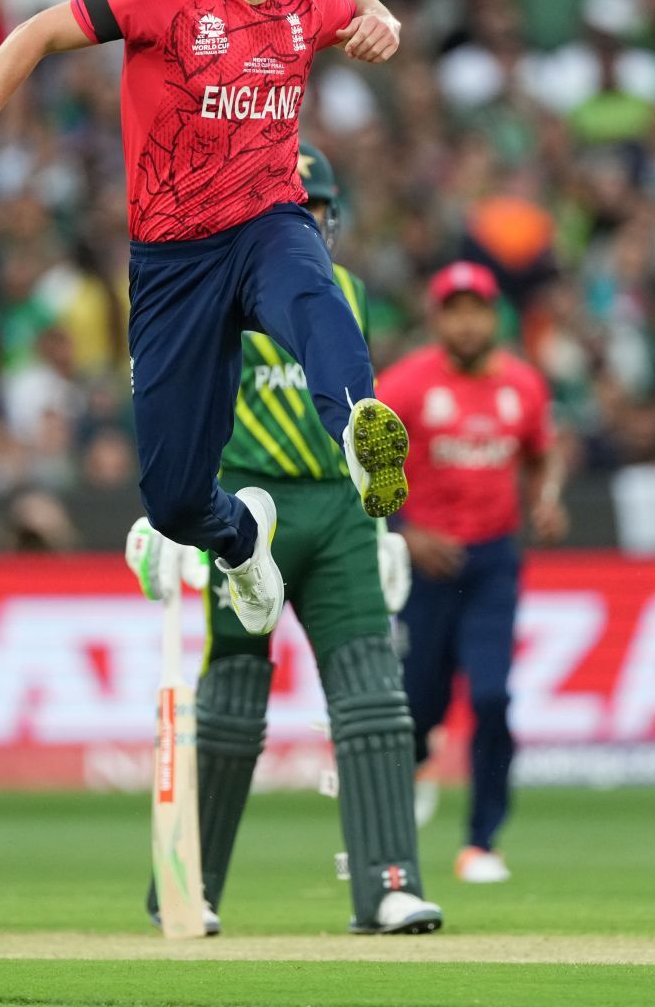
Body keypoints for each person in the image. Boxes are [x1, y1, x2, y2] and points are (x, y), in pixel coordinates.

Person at [0, 0, 411, 639]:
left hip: (267, 223)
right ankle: (242, 542)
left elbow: (357, 1)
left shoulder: (306, 4)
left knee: (316, 289)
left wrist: (384, 21)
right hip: (174, 263)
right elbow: (36, 32)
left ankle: (358, 430)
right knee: (174, 501)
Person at [130, 145, 441, 936]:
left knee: (374, 697)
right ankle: (186, 886)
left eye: (316, 212)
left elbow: (360, 426)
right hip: (246, 504)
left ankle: (388, 886)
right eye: (295, 209)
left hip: (338, 514)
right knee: (232, 704)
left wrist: (381, 529)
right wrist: (166, 519)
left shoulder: (350, 292)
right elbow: (168, 401)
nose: (307, 224)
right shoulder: (208, 281)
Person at [376, 261, 567, 884]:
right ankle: (415, 770)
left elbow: (543, 453)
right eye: (453, 311)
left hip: (491, 561)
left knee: (492, 696)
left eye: (476, 310)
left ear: (493, 317)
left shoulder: (523, 386)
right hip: (424, 567)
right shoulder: (403, 386)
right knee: (420, 705)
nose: (465, 323)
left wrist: (546, 498)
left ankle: (482, 841)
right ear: (437, 319)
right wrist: (406, 530)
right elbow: (364, 468)